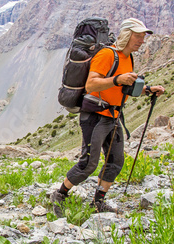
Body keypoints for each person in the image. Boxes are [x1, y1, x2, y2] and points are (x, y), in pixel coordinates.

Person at [50, 18, 165, 216]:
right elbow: (91, 85)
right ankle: (60, 194)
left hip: (113, 116)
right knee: (88, 164)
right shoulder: (107, 54)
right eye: (137, 36)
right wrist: (117, 79)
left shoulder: (128, 58)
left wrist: (147, 90)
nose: (141, 40)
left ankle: (98, 202)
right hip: (95, 116)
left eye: (143, 37)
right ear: (127, 35)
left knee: (115, 161)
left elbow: (124, 87)